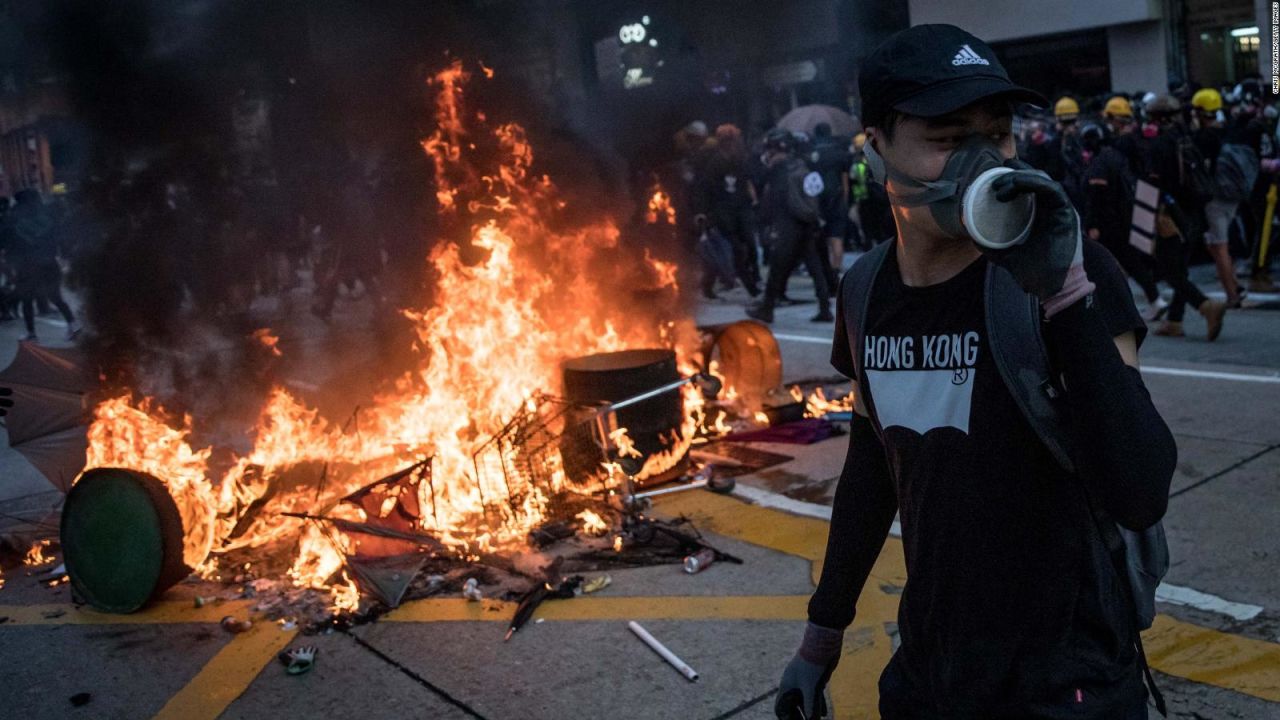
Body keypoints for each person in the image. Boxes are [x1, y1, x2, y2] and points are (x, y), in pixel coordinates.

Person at [775, 24, 1175, 719]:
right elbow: (873, 469)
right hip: (932, 675)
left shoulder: (1063, 282)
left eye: (999, 135)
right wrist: (821, 636)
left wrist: (1066, 294)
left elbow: (1140, 490)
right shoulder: (865, 292)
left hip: (1065, 683)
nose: (986, 163)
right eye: (950, 140)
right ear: (876, 152)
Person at [1144, 95, 1227, 339]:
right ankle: (1175, 321)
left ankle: (1205, 306)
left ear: (1155, 118)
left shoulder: (1158, 145)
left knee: (1171, 271)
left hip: (1170, 216)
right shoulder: (1189, 139)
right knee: (1181, 268)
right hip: (1194, 213)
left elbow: (1153, 184)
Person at [1081, 118, 1166, 320]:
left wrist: (1092, 224)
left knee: (1103, 265)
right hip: (1123, 217)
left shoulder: (1101, 161)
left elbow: (1096, 195)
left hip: (1108, 222)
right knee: (1131, 262)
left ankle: (1111, 307)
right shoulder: (1116, 157)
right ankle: (1154, 298)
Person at [746, 128, 830, 323]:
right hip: (807, 222)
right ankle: (825, 307)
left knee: (777, 267)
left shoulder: (778, 169)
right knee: (815, 266)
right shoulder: (803, 164)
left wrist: (768, 223)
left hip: (788, 224)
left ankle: (767, 308)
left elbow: (771, 197)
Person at [1192, 87, 1250, 307]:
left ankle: (1232, 295)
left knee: (1219, 245)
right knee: (1217, 244)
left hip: (1215, 197)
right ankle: (1234, 284)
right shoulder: (1227, 130)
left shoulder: (1204, 137)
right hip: (1233, 194)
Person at [694, 124, 761, 296]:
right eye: (728, 141)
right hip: (723, 211)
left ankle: (752, 279)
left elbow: (747, 181)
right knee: (732, 250)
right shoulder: (712, 162)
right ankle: (749, 286)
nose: (732, 144)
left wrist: (752, 198)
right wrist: (703, 211)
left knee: (748, 245)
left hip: (740, 209)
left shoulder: (740, 159)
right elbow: (704, 187)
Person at [3, 189, 79, 342]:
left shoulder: (13, 219)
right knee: (55, 296)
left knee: (27, 299)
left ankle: (31, 333)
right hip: (49, 262)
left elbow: (6, 242)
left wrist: (10, 263)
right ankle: (72, 324)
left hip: (27, 266)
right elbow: (60, 236)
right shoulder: (48, 215)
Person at [809, 123, 853, 290]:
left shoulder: (811, 154)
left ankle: (828, 270)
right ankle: (836, 269)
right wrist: (846, 200)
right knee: (837, 237)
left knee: (823, 238)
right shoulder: (840, 154)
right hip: (837, 198)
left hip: (818, 201)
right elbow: (845, 181)